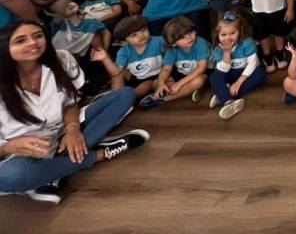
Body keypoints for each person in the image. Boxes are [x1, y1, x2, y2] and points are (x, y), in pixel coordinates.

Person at [0, 21, 149, 204]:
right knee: (9, 176)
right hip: (21, 154)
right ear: (5, 46)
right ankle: (98, 155)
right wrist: (8, 147)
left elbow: (71, 104)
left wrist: (73, 130)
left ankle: (57, 167)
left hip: (62, 131)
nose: (33, 43)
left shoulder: (62, 59)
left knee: (124, 95)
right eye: (20, 40)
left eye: (38, 36)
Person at [140, 16, 210, 108]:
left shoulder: (200, 43)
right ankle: (188, 90)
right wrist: (161, 83)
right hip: (182, 74)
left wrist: (179, 84)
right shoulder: (172, 49)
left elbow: (201, 68)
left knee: (198, 81)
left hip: (201, 73)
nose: (189, 38)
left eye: (190, 32)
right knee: (156, 83)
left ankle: (164, 99)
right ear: (173, 43)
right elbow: (166, 69)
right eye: (182, 37)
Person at [209, 11, 266, 120]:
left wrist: (239, 82)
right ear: (218, 35)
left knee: (261, 73)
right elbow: (222, 70)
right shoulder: (218, 48)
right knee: (214, 76)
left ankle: (223, 95)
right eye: (223, 35)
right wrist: (226, 53)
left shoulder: (247, 42)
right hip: (229, 73)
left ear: (239, 32)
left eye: (232, 33)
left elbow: (253, 63)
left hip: (245, 73)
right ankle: (228, 101)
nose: (228, 38)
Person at [92, 16, 164, 98]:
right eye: (134, 35)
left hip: (159, 74)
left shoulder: (158, 41)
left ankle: (131, 96)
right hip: (137, 77)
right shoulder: (123, 51)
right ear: (124, 41)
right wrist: (105, 59)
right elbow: (116, 72)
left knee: (147, 85)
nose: (141, 35)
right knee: (120, 75)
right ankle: (116, 97)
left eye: (143, 30)